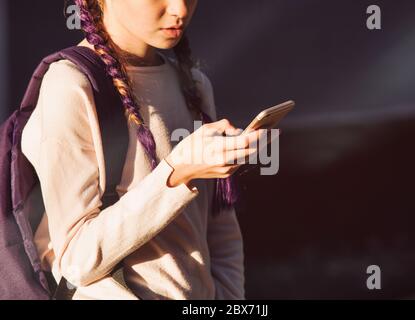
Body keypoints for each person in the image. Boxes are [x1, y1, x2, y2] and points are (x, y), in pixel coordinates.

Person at [21, 0, 267, 300]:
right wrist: (177, 173)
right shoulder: (72, 84)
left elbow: (220, 226)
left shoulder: (195, 85)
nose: (180, 9)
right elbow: (76, 260)